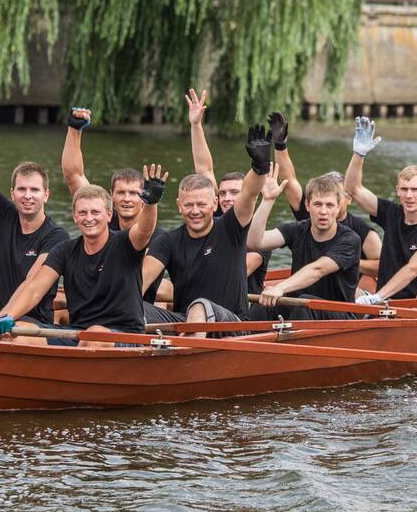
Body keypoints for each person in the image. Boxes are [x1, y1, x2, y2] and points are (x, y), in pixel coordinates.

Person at [0, 165, 169, 347]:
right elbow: (35, 289)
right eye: (83, 213)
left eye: (95, 212)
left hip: (124, 334)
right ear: (75, 216)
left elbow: (144, 231)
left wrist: (150, 203)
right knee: (18, 331)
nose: (89, 218)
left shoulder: (125, 243)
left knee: (94, 334)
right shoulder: (64, 250)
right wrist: (5, 317)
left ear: (109, 215)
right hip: (78, 333)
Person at [0, 84, 69, 329]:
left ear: (46, 195)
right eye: (22, 189)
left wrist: (1, 319)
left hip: (28, 321)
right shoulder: (4, 215)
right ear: (13, 193)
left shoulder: (56, 236)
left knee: (12, 334)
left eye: (35, 190)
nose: (28, 196)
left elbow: (32, 283)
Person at [142, 124, 268, 332]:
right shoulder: (168, 240)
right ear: (179, 206)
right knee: (131, 307)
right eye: (189, 205)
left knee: (201, 305)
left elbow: (250, 194)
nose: (195, 211)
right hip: (186, 321)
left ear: (215, 204)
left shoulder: (231, 227)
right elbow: (140, 279)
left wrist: (259, 167)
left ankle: (185, 359)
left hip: (232, 324)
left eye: (201, 205)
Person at [61, 106, 170, 305]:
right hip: (95, 304)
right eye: (121, 193)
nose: (127, 198)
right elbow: (73, 175)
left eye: (134, 193)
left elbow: (135, 284)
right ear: (111, 196)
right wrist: (74, 130)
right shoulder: (99, 221)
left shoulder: (158, 237)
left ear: (144, 197)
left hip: (135, 310)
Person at [345, 117, 417, 304]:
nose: (409, 195)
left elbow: (413, 269)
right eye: (404, 189)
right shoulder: (391, 213)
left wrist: (377, 297)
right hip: (388, 300)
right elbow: (353, 189)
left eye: (415, 190)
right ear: (398, 190)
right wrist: (359, 154)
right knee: (347, 292)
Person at [268, 111, 382, 276]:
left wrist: (342, 260)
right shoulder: (309, 216)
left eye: (334, 198)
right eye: (320, 200)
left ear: (348, 199)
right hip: (303, 290)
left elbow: (380, 267)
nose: (323, 209)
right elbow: (289, 182)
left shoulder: (363, 232)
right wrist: (280, 145)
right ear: (310, 205)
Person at [185, 88, 270, 295]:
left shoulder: (257, 236)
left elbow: (237, 271)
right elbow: (204, 168)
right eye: (222, 193)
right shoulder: (211, 217)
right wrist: (196, 125)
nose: (226, 198)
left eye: (234, 193)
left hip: (241, 312)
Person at [246, 171, 361, 320]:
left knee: (304, 305)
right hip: (300, 306)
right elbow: (254, 242)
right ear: (307, 205)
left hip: (339, 314)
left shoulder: (350, 240)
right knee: (263, 306)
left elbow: (317, 269)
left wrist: (280, 288)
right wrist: (268, 200)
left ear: (338, 207)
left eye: (330, 205)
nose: (323, 211)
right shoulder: (297, 229)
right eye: (317, 204)